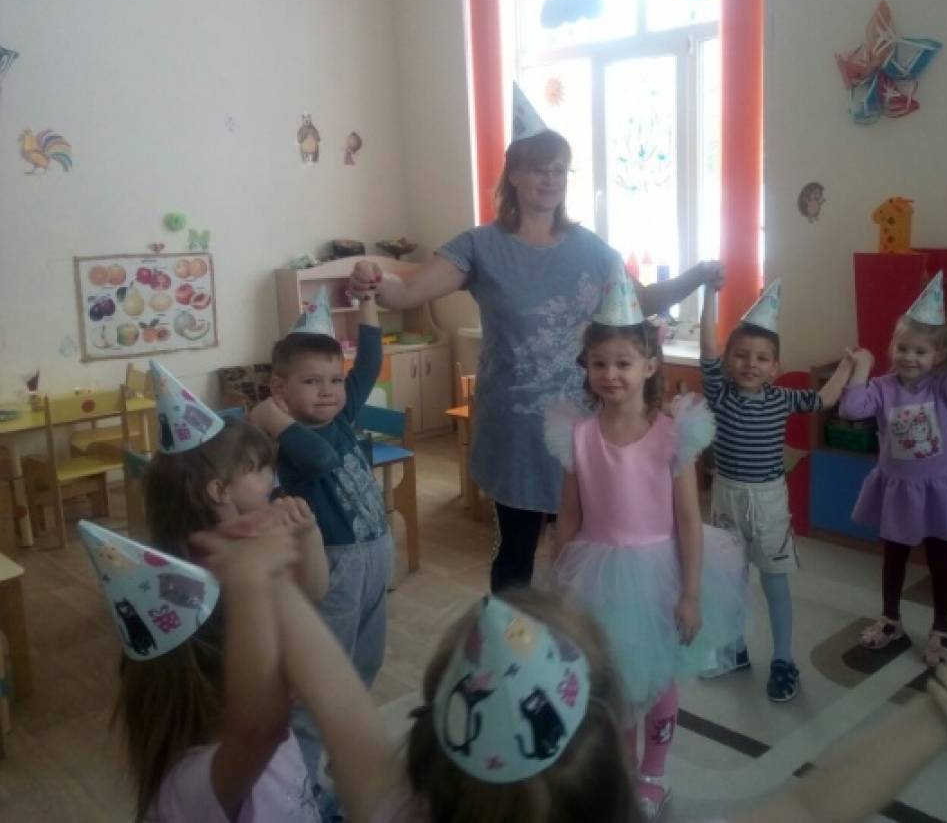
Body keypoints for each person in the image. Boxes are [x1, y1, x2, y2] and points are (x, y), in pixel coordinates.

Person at [184, 516, 947, 823]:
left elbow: (329, 695)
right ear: (610, 744)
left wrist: (264, 581)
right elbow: (813, 803)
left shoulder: (388, 805)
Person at [348, 127, 722, 593]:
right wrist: (372, 278)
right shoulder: (480, 246)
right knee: (516, 553)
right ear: (514, 175)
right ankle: (512, 636)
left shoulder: (593, 251)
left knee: (591, 546)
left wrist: (695, 277)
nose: (550, 179)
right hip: (516, 431)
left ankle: (577, 632)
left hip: (588, 427)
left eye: (559, 170)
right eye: (539, 169)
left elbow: (640, 300)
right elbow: (405, 292)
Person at [543, 266, 747, 817]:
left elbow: (688, 518)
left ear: (650, 365)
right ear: (585, 367)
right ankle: (627, 774)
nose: (611, 374)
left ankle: (654, 773)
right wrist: (558, 582)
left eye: (623, 363)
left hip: (659, 573)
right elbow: (569, 514)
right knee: (615, 683)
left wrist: (691, 592)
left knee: (656, 679)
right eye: (599, 363)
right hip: (596, 574)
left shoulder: (671, 434)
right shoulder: (577, 435)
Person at [98, 362, 327, 821]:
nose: (273, 480)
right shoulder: (199, 584)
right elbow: (261, 725)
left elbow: (311, 594)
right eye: (260, 470)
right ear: (219, 490)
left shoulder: (255, 549)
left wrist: (309, 535)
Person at [249, 284, 391, 808]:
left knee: (363, 665)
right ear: (279, 389)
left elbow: (369, 362)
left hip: (375, 557)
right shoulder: (284, 440)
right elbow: (320, 459)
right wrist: (277, 420)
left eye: (334, 380)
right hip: (333, 568)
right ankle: (300, 790)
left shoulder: (343, 416)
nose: (329, 392)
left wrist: (369, 297)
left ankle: (337, 759)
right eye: (312, 382)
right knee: (320, 681)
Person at [698, 279, 853, 701]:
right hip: (727, 496)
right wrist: (709, 293)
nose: (751, 364)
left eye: (762, 358)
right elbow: (707, 348)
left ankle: (784, 660)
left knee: (774, 582)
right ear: (728, 361)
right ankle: (734, 650)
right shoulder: (720, 394)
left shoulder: (783, 398)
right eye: (741, 355)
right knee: (730, 580)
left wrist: (846, 366)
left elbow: (823, 399)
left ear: (775, 366)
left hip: (768, 501)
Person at [839, 273, 947, 665]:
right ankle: (890, 619)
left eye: (921, 351)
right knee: (894, 557)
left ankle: (941, 628)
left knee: (940, 559)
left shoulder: (943, 386)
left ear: (939, 356)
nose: (909, 357)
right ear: (892, 347)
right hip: (899, 488)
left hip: (938, 488)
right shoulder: (882, 388)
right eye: (903, 347)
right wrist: (861, 366)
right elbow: (851, 409)